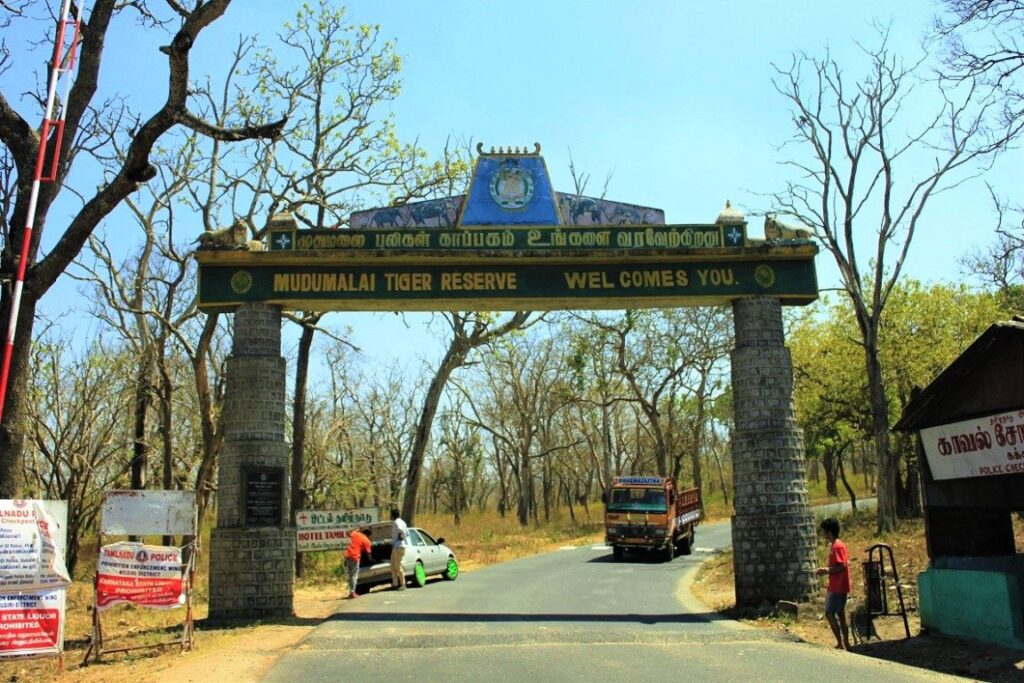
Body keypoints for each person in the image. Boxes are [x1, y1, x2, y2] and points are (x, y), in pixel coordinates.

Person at [816, 517, 851, 650]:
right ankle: (844, 643)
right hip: (837, 585)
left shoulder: (837, 546)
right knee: (840, 613)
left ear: (829, 532)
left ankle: (841, 643)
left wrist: (826, 570)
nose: (823, 534)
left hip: (838, 586)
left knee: (829, 613)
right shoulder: (834, 545)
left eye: (824, 531)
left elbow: (841, 565)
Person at [344, 524, 372, 599]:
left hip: (347, 555)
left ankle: (351, 592)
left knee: (350, 575)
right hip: (355, 557)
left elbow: (348, 532)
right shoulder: (366, 540)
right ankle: (352, 592)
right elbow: (368, 556)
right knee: (354, 575)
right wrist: (373, 561)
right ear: (369, 535)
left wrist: (358, 529)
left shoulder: (355, 533)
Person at [390, 507, 408, 591]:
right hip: (396, 546)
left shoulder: (396, 523)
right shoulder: (403, 522)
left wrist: (400, 537)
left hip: (399, 547)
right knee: (393, 566)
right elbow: (407, 533)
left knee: (397, 566)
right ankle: (395, 583)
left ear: (393, 515)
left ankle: (403, 584)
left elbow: (402, 531)